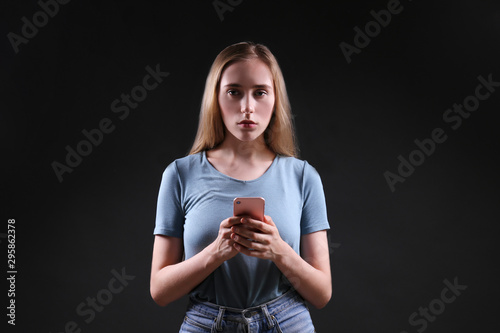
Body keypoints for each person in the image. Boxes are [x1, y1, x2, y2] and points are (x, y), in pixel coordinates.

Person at [150, 41, 331, 332]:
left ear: (275, 99)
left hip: (286, 320)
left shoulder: (303, 176)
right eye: (234, 92)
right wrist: (217, 252)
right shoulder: (179, 174)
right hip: (205, 322)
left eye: (260, 92)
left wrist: (278, 251)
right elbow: (160, 290)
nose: (247, 107)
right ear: (216, 98)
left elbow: (322, 293)